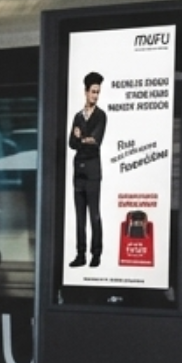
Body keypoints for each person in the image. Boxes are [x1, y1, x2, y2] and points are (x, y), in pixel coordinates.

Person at [68, 70, 105, 268]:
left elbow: (95, 141)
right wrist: (80, 138)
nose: (95, 96)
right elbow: (71, 144)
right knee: (79, 216)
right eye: (93, 92)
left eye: (98, 92)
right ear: (86, 92)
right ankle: (80, 254)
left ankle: (96, 253)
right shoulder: (77, 116)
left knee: (94, 214)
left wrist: (80, 137)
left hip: (92, 171)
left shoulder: (101, 116)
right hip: (78, 172)